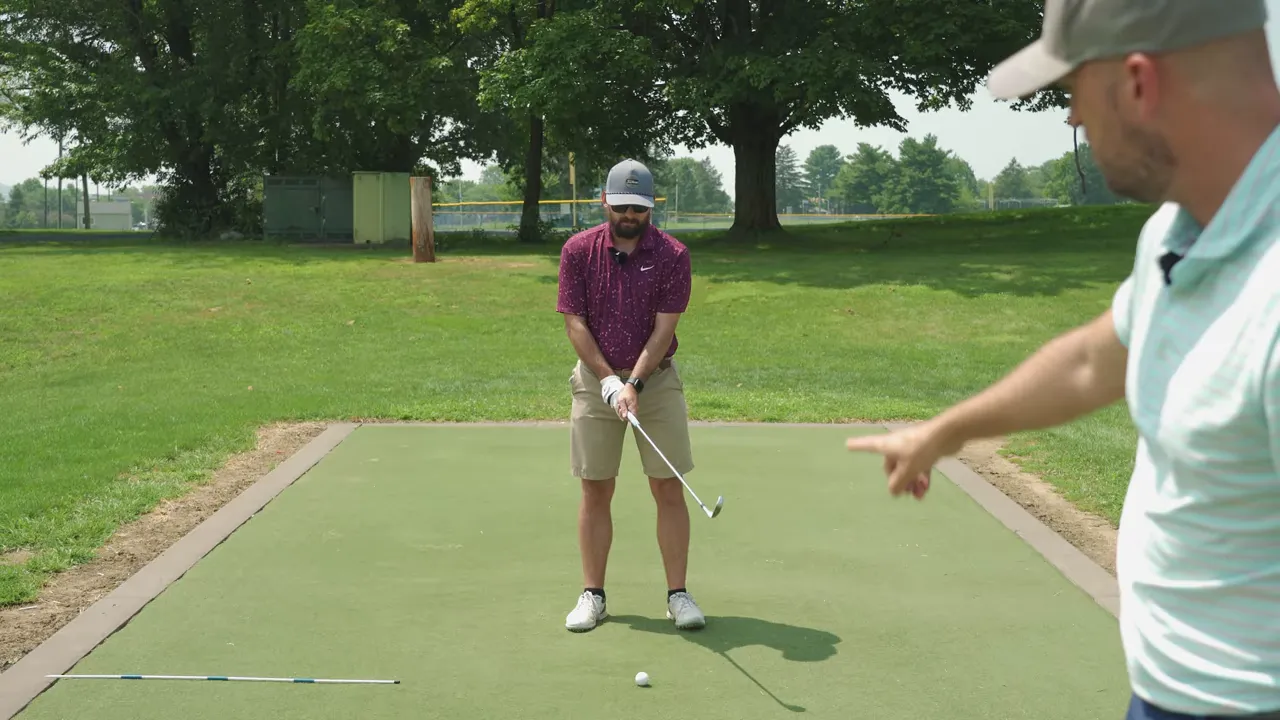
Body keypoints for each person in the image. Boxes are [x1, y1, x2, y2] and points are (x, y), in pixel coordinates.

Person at [846, 1, 1280, 718]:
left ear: (1140, 84)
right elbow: (1093, 359)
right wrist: (945, 432)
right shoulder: (1185, 226)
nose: (1073, 119)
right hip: (1168, 691)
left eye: (1075, 89)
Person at [555, 158, 706, 633]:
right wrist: (607, 381)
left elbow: (664, 330)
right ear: (604, 201)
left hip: (655, 381)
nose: (628, 216)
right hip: (595, 380)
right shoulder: (578, 251)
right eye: (620, 206)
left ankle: (678, 595)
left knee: (667, 485)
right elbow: (574, 323)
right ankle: (593, 595)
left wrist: (634, 384)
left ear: (650, 206)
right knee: (596, 486)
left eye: (638, 209)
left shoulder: (673, 255)